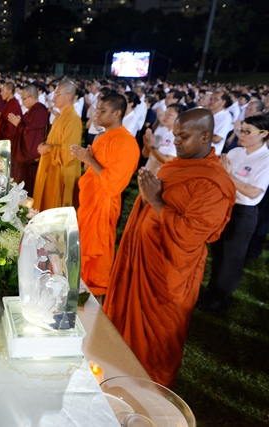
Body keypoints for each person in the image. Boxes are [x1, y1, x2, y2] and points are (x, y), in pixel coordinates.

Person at [105, 108, 236, 388]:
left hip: (167, 276)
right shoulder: (178, 164)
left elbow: (190, 234)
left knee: (155, 344)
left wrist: (154, 200)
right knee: (125, 332)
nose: (176, 141)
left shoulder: (213, 183)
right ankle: (118, 374)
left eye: (184, 136)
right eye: (176, 134)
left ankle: (147, 393)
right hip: (141, 262)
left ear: (206, 137)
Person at [197, 114, 269, 312]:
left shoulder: (265, 159)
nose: (241, 135)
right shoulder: (236, 152)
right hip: (224, 206)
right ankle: (211, 292)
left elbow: (254, 191)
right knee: (218, 251)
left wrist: (228, 175)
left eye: (247, 132)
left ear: (264, 134)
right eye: (240, 130)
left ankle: (221, 297)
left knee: (233, 257)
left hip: (243, 212)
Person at [71, 94, 140, 297]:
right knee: (82, 243)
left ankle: (95, 293)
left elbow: (114, 184)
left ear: (117, 113)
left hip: (104, 204)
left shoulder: (126, 143)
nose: (97, 114)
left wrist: (89, 159)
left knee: (97, 253)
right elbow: (91, 168)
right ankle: (80, 284)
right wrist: (87, 157)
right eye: (98, 110)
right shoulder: (103, 137)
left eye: (102, 111)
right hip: (90, 199)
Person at [33, 80, 83, 210]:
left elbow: (69, 152)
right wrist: (46, 145)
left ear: (68, 97)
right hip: (51, 167)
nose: (53, 98)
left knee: (56, 210)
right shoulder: (59, 116)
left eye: (57, 95)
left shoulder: (72, 119)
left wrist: (49, 148)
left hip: (61, 172)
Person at [9, 84, 50, 197]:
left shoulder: (39, 111)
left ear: (32, 97)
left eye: (24, 99)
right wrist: (20, 124)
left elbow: (31, 135)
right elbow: (27, 128)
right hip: (25, 159)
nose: (22, 102)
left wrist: (18, 124)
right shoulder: (32, 111)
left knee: (28, 189)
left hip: (31, 159)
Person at [142, 103, 184, 175]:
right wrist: (146, 144)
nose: (165, 116)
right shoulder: (161, 129)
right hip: (148, 172)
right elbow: (145, 155)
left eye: (169, 115)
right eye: (165, 113)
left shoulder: (177, 137)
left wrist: (151, 147)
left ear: (179, 119)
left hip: (161, 177)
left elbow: (168, 161)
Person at [209, 90, 233, 155]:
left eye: (216, 100)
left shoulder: (225, 117)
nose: (211, 101)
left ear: (223, 102)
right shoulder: (207, 112)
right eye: (211, 99)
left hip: (210, 155)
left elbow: (217, 139)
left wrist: (198, 134)